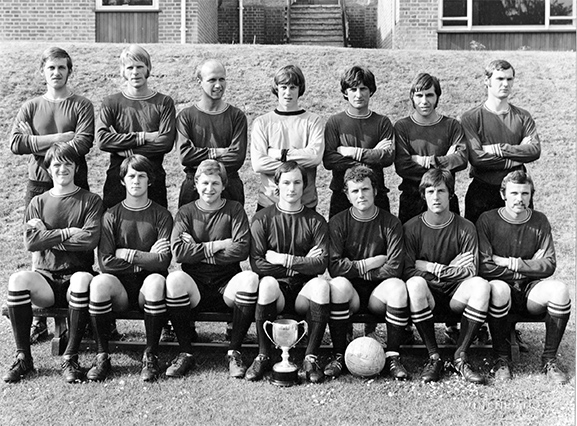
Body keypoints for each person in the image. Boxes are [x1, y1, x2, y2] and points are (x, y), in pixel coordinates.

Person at [10, 46, 94, 344]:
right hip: (39, 183)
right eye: (51, 68)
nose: (56, 73)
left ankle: (83, 309)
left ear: (69, 71)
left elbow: (83, 143)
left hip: (74, 182)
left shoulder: (81, 105)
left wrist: (37, 141)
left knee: (78, 243)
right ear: (42, 72)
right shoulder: (31, 106)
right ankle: (38, 317)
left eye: (61, 67)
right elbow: (16, 143)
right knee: (38, 246)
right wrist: (59, 138)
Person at [3, 143, 102, 383]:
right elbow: (31, 242)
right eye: (57, 164)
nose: (62, 169)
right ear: (48, 169)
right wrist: (68, 232)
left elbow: (89, 240)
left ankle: (70, 358)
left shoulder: (90, 200)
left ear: (76, 167)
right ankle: (23, 357)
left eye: (68, 163)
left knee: (79, 280)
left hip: (79, 276)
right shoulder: (37, 202)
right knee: (17, 279)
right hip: (45, 279)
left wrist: (47, 236)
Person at [82, 155, 173, 382]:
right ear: (122, 181)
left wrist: (129, 254)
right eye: (131, 176)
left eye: (141, 176)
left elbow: (162, 261)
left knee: (155, 282)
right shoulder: (110, 215)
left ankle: (150, 355)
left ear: (150, 181)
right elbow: (105, 262)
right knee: (100, 282)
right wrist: (146, 257)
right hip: (119, 288)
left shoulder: (161, 214)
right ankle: (102, 355)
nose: (136, 181)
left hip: (149, 288)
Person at [477, 171, 570, 384]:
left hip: (530, 289)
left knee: (560, 291)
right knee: (498, 289)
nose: (520, 198)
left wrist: (511, 263)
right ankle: (502, 359)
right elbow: (485, 266)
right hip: (502, 289)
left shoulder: (540, 220)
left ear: (531, 195)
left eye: (525, 193)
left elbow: (549, 265)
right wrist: (530, 265)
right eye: (514, 193)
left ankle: (549, 360)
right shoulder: (487, 220)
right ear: (503, 195)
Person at [165, 159, 255, 379]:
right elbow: (178, 252)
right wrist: (219, 245)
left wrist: (198, 250)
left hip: (227, 284)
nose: (209, 188)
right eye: (204, 183)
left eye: (215, 183)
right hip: (194, 284)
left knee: (251, 279)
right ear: (195, 184)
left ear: (224, 185)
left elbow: (241, 249)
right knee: (175, 279)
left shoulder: (234, 210)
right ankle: (185, 352)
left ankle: (234, 352)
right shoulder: (186, 212)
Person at [404, 168, 489, 384]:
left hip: (455, 295)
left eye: (441, 191)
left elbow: (471, 270)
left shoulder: (465, 227)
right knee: (414, 284)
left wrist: (435, 268)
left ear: (450, 194)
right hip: (428, 294)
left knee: (480, 285)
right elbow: (407, 270)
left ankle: (460, 356)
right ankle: (434, 357)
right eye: (430, 191)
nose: (436, 196)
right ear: (423, 195)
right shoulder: (411, 228)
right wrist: (449, 270)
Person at [246, 161, 329, 383]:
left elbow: (320, 265)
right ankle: (263, 355)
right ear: (277, 187)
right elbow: (258, 264)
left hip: (305, 290)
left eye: (297, 182)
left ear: (305, 186)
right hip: (278, 292)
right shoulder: (262, 218)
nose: (291, 188)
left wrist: (285, 259)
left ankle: (310, 358)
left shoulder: (316, 221)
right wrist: (304, 261)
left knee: (321, 285)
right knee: (266, 284)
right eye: (286, 183)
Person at [325, 165, 409, 380]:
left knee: (398, 287)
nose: (360, 195)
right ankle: (339, 355)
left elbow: (394, 268)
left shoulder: (391, 223)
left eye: (365, 189)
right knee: (338, 285)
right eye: (355, 191)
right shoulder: (337, 222)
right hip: (350, 292)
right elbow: (334, 267)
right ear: (346, 194)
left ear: (375, 191)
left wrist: (356, 270)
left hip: (378, 294)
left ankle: (392, 356)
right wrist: (368, 264)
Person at [461, 59, 541, 225]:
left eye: (509, 79)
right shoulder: (471, 118)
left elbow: (534, 150)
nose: (505, 84)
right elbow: (477, 158)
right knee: (481, 246)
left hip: (517, 190)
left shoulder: (523, 116)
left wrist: (500, 149)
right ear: (487, 80)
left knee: (520, 245)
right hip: (483, 191)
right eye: (500, 79)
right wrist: (517, 156)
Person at [97, 44, 176, 210]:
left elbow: (165, 142)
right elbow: (103, 140)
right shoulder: (111, 102)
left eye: (140, 66)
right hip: (118, 176)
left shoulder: (163, 102)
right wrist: (143, 137)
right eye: (130, 67)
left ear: (148, 68)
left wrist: (125, 151)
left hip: (152, 176)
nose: (135, 72)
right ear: (123, 71)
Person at [394, 73, 468, 224]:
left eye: (429, 95)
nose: (424, 101)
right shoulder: (402, 127)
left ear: (437, 97)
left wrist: (426, 160)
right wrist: (444, 163)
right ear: (412, 97)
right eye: (419, 95)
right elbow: (402, 166)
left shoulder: (452, 125)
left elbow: (461, 159)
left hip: (444, 197)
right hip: (412, 199)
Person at [323, 65, 395, 218]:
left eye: (363, 89)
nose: (358, 94)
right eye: (353, 89)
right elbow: (329, 160)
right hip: (342, 194)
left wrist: (352, 152)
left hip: (376, 193)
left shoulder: (382, 122)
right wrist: (372, 155)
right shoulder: (335, 122)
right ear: (345, 92)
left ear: (371, 91)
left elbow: (388, 157)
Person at [251, 64, 324, 211]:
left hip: (305, 204)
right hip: (269, 202)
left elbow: (315, 157)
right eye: (283, 87)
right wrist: (298, 162)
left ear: (300, 89)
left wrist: (280, 154)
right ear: (276, 88)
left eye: (293, 87)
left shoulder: (313, 121)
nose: (287, 93)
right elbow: (258, 163)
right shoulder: (262, 122)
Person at [176, 59, 248, 207]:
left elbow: (237, 156)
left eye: (222, 79)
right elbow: (185, 155)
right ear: (199, 81)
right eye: (212, 80)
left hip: (229, 186)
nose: (218, 85)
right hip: (194, 187)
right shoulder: (186, 116)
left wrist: (201, 157)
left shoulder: (236, 116)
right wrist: (217, 153)